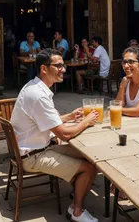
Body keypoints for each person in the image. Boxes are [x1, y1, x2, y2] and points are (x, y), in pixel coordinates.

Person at [11, 49, 100, 222]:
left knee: (92, 157)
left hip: (39, 148)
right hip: (33, 156)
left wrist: (69, 117)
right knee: (88, 168)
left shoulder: (36, 87)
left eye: (63, 65)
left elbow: (43, 120)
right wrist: (86, 121)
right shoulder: (38, 95)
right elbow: (65, 134)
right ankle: (77, 211)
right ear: (44, 69)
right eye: (58, 66)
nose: (64, 69)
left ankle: (77, 195)